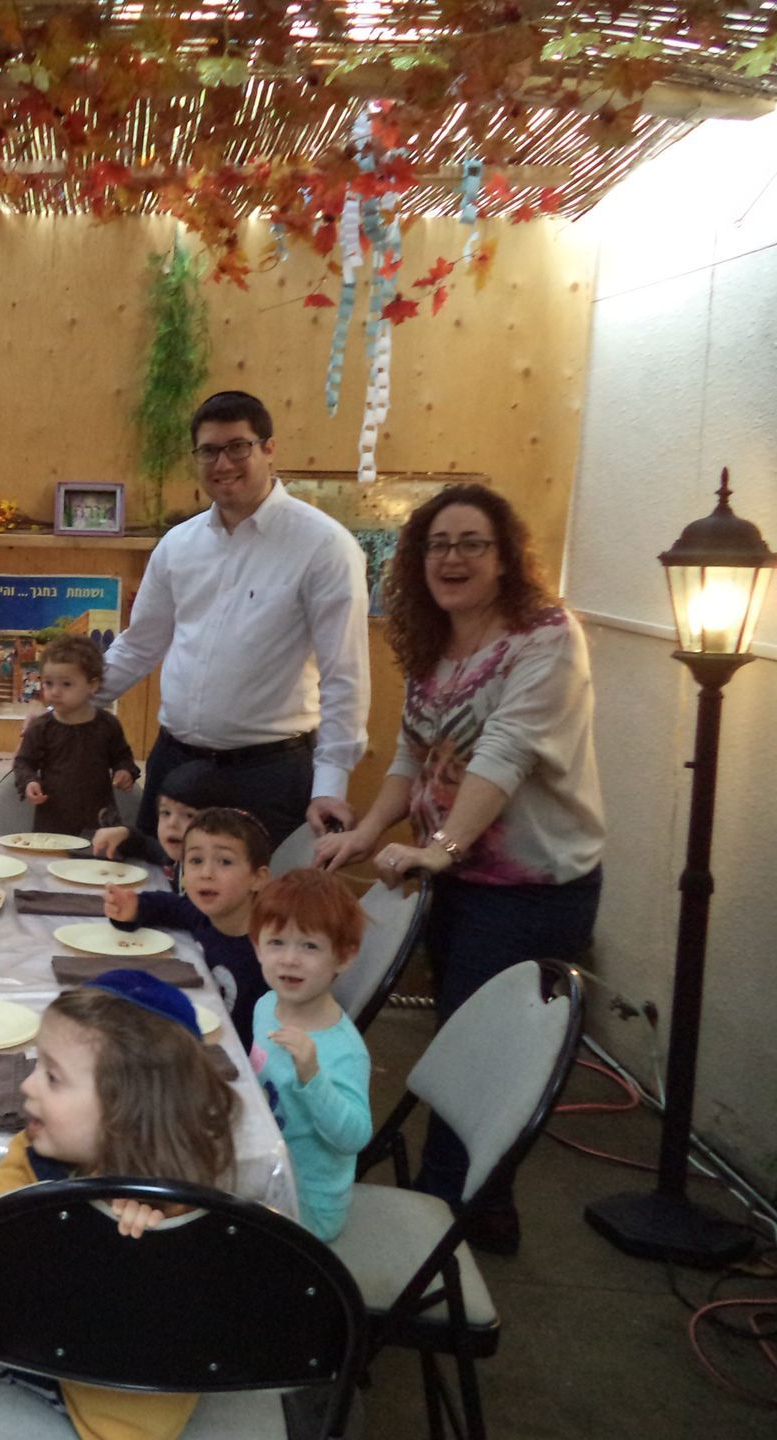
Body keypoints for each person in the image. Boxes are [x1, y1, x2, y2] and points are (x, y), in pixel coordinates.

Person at [315, 484, 603, 1254]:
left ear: (505, 556)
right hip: (456, 881)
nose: (453, 558)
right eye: (438, 544)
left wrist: (438, 849)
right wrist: (369, 829)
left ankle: (448, 1218)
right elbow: (414, 753)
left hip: (531, 887)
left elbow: (505, 752)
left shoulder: (546, 636)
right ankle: (475, 1208)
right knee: (455, 1040)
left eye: (472, 542)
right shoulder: (434, 641)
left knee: (478, 1061)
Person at [0, 971, 239, 1440]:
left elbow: (242, 1276)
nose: (27, 1086)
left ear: (128, 1109)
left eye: (53, 1077)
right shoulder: (40, 1160)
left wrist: (161, 1239)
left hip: (125, 1402)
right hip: (113, 1391)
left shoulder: (188, 1203)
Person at [97, 391, 370, 850]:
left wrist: (331, 785)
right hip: (175, 768)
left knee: (256, 917)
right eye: (208, 451)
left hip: (268, 776)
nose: (223, 463)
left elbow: (345, 677)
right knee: (150, 899)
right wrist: (65, 708)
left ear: (269, 449)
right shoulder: (177, 545)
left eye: (238, 446)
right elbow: (138, 645)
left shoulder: (323, 546)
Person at [248, 869, 372, 1241]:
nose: (290, 960)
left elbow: (354, 1138)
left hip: (307, 1207)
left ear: (344, 957)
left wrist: (312, 1076)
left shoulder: (344, 1051)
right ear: (257, 946)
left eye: (310, 946)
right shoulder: (266, 1004)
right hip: (263, 1167)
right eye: (277, 943)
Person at [105, 808, 273, 1048]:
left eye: (225, 862)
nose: (206, 873)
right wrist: (135, 907)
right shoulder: (204, 913)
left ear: (257, 878)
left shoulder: (267, 953)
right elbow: (170, 906)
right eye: (196, 860)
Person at [11, 634, 138, 839]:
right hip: (53, 822)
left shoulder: (108, 725)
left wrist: (124, 771)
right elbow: (23, 762)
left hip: (99, 823)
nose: (55, 692)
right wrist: (30, 781)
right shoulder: (41, 728)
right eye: (49, 683)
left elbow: (122, 756)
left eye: (66, 684)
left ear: (92, 685)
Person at [90, 758, 228, 890]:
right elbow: (146, 846)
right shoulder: (177, 855)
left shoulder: (215, 879)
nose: (172, 824)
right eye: (166, 813)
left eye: (189, 815)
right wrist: (124, 834)